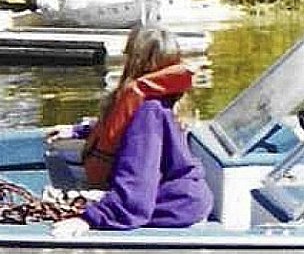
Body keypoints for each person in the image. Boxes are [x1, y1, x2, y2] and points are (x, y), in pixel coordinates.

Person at [50, 25, 213, 236]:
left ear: (134, 61)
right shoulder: (162, 99)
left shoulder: (148, 111)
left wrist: (89, 219)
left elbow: (138, 184)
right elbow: (118, 128)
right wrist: (80, 130)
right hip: (177, 198)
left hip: (172, 207)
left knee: (66, 202)